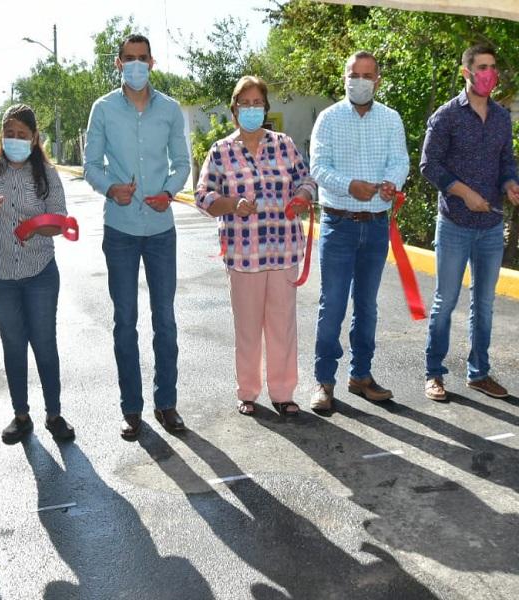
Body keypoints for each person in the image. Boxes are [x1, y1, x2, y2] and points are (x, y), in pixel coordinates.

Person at [84, 33, 190, 440]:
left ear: (152, 62)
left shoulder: (170, 109)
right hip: (122, 230)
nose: (136, 65)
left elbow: (182, 162)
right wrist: (111, 187)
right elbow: (92, 163)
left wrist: (169, 190)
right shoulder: (104, 109)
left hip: (161, 230)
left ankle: (167, 404)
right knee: (125, 321)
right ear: (118, 64)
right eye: (129, 58)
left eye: (142, 58)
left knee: (165, 319)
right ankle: (131, 409)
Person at [195, 76, 316, 417]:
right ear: (234, 110)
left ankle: (283, 393)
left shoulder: (285, 145)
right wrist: (232, 204)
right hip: (243, 254)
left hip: (283, 250)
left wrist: (303, 195)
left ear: (265, 108)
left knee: (282, 326)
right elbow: (204, 196)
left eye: (256, 103)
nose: (251, 109)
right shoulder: (220, 151)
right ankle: (247, 391)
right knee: (247, 327)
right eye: (244, 104)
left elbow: (305, 179)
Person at [0, 104, 75, 444]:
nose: (15, 140)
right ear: (2, 135)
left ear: (34, 138)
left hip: (39, 273)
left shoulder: (47, 174)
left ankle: (54, 414)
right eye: (9, 134)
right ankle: (21, 415)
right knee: (13, 344)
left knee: (44, 343)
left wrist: (38, 226)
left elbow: (60, 220)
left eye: (22, 135)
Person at [309, 51, 409, 412]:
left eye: (368, 75)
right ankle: (323, 381)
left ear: (378, 80)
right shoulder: (328, 118)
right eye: (355, 74)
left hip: (376, 225)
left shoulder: (390, 119)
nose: (361, 81)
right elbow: (318, 167)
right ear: (345, 77)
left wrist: (390, 183)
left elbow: (400, 160)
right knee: (332, 305)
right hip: (339, 225)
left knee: (367, 306)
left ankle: (361, 375)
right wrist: (349, 185)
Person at [420, 44, 519, 402]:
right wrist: (462, 192)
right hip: (455, 224)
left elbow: (507, 160)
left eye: (493, 66)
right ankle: (434, 373)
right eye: (482, 67)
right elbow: (429, 165)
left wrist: (510, 183)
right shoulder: (446, 116)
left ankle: (479, 373)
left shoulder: (501, 117)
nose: (489, 73)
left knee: (484, 303)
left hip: (491, 227)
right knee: (445, 301)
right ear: (466, 72)